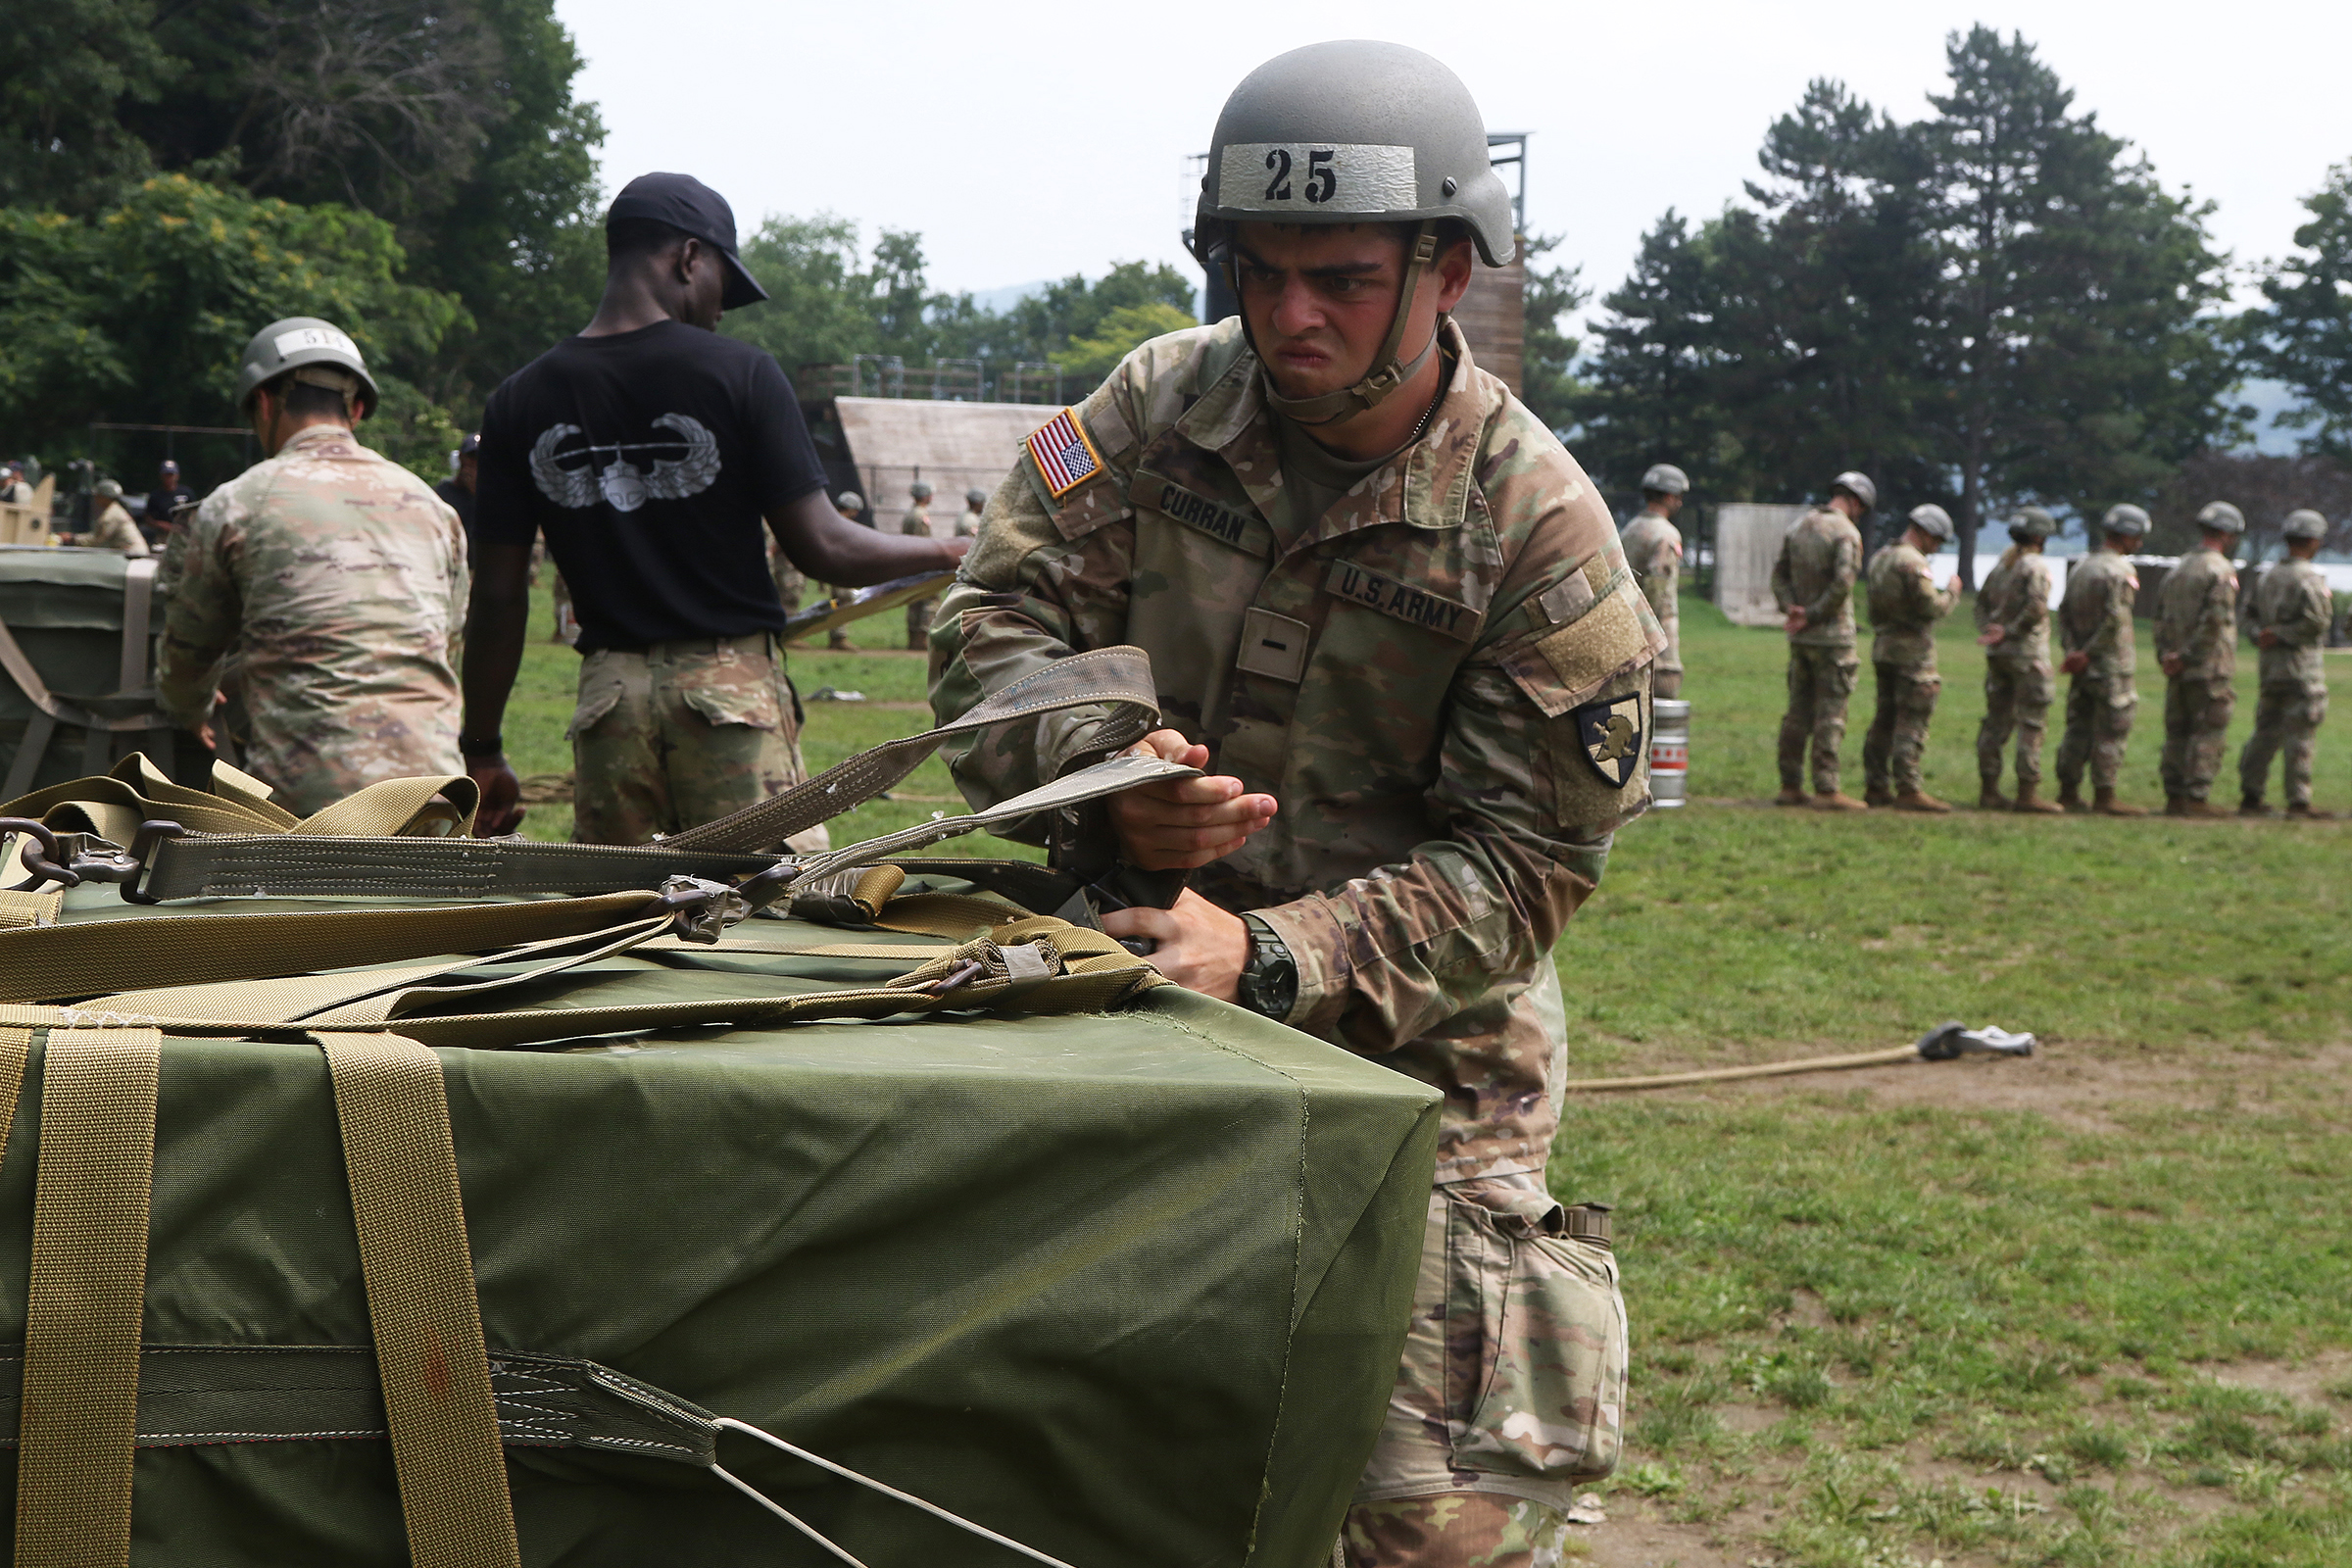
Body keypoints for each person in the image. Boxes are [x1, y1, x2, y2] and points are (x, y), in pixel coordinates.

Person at [930, 43, 1645, 1568]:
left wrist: (1262, 954)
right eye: (1257, 271)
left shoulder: (1544, 539)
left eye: (1337, 276)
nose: (1288, 315)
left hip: (1419, 1070)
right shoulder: (1152, 406)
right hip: (1124, 994)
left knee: (1418, 1523)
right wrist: (1118, 779)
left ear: (1447, 271)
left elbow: (1525, 870)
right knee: (1062, 1461)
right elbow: (989, 626)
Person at [463, 172, 961, 844]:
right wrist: (952, 551)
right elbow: (827, 548)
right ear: (689, 258)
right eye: (724, 285)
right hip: (728, 695)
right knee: (768, 914)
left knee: (619, 919)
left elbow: (497, 595)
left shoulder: (519, 400)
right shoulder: (740, 373)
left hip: (608, 704)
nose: (724, 311)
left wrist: (485, 748)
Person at [155, 317, 466, 815]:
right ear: (358, 408)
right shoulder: (435, 510)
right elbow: (445, 648)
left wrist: (189, 710)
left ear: (262, 403)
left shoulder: (238, 504)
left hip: (309, 812)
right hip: (436, 796)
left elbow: (190, 653)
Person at [1771, 471, 1872, 809]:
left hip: (1801, 639)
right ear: (1856, 502)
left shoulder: (1799, 527)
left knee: (1797, 711)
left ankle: (1790, 784)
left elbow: (1779, 574)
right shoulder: (1847, 533)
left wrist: (1792, 609)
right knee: (1831, 713)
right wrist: (1813, 614)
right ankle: (1827, 789)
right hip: (1833, 639)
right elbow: (1844, 583)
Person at [1861, 503, 1961, 809]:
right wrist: (1952, 593)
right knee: (1912, 719)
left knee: (1885, 718)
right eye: (1936, 540)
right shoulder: (1913, 563)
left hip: (1883, 647)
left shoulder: (1881, 557)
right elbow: (1930, 607)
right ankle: (1908, 787)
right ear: (1924, 532)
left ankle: (1876, 785)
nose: (1936, 548)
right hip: (1913, 653)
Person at [2238, 509, 2335, 818]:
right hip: (2301, 670)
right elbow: (2318, 622)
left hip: (2270, 669)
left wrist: (2261, 635)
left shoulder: (2267, 576)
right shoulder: (2309, 578)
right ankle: (2298, 801)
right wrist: (2281, 634)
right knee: (2300, 735)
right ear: (2313, 541)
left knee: (2264, 732)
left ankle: (2250, 796)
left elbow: (2248, 617)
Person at [2054, 504, 2149, 815]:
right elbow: (2114, 621)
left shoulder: (2083, 567)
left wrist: (2073, 652)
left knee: (2077, 727)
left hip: (2083, 665)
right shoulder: (2121, 571)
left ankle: (2067, 791)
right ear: (2127, 536)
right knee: (2112, 728)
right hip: (2109, 665)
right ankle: (2105, 796)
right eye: (2138, 537)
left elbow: (2064, 613)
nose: (2140, 543)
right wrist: (2090, 653)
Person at [2153, 501, 2243, 816]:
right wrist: (2190, 656)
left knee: (2177, 732)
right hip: (2207, 666)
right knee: (2209, 730)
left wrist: (2167, 656)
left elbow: (2160, 617)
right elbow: (2215, 620)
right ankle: (2197, 798)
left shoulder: (2178, 568)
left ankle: (2174, 797)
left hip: (2176, 666)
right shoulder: (2220, 569)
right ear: (2228, 535)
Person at [1974, 507, 2061, 811]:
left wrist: (1991, 632)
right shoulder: (2035, 566)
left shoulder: (2001, 566)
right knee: (2032, 723)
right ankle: (2027, 794)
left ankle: (1989, 790)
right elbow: (2038, 607)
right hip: (2026, 655)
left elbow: (1980, 603)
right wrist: (2009, 632)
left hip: (1998, 656)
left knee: (1996, 722)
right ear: (2040, 536)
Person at [1620, 464, 1686, 698]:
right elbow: (1659, 589)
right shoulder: (1666, 534)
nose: (1680, 502)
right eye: (1679, 496)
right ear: (1669, 496)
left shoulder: (1630, 529)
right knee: (1663, 694)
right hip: (1655, 633)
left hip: (1624, 625)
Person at [823, 490, 866, 650]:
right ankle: (838, 637)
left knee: (838, 601)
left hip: (837, 567)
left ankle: (837, 636)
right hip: (840, 568)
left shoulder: (832, 521)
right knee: (842, 601)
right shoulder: (840, 524)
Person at [900, 478, 939, 648]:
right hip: (921, 562)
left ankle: (912, 638)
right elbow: (923, 542)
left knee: (914, 601)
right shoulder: (921, 515)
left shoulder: (910, 513)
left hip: (909, 562)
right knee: (930, 600)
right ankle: (922, 639)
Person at [78, 479, 151, 557]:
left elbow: (96, 540)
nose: (95, 498)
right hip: (132, 554)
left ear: (105, 497)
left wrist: (72, 538)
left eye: (98, 495)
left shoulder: (110, 516)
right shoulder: (116, 510)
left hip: (132, 555)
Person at [436, 431, 480, 552]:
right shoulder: (444, 493)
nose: (475, 462)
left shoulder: (493, 496)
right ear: (461, 458)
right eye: (471, 457)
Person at [148, 458, 195, 543]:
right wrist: (162, 525)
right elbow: (148, 518)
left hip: (185, 532)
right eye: (166, 475)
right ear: (161, 476)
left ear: (177, 476)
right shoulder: (156, 495)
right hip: (164, 534)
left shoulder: (186, 493)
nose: (169, 478)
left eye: (171, 475)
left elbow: (195, 512)